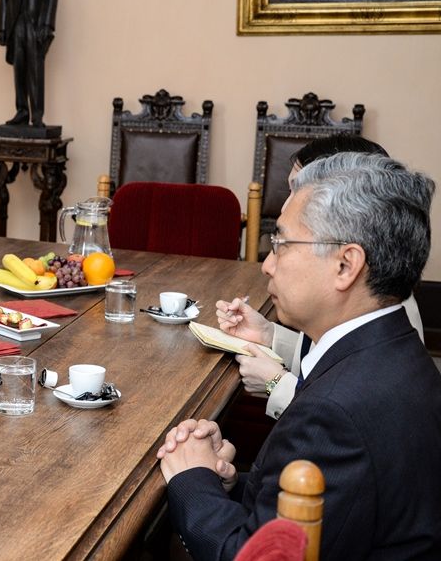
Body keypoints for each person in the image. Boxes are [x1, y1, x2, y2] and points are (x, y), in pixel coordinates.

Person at [157, 152, 441, 559]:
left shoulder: (334, 416)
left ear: (346, 265)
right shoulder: (397, 351)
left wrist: (191, 477)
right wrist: (229, 484)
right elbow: (332, 511)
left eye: (283, 244)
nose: (267, 265)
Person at [216, 134, 423, 418]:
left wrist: (278, 383)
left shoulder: (386, 309)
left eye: (298, 189)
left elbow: (345, 405)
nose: (287, 203)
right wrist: (268, 334)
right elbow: (331, 355)